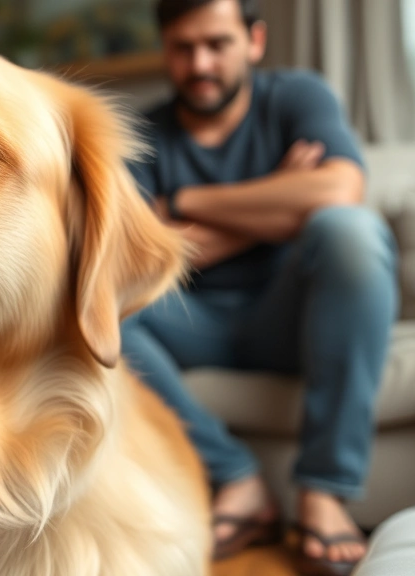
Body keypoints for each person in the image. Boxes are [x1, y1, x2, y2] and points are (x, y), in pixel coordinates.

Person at [121, 0, 398, 573]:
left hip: (292, 318)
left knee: (348, 230)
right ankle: (237, 478)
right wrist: (280, 200)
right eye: (183, 48)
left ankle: (323, 490)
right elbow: (137, 263)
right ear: (165, 49)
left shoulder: (297, 96)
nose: (201, 63)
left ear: (255, 41)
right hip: (189, 322)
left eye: (217, 44)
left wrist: (183, 203)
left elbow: (340, 190)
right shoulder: (140, 135)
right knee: (94, 306)